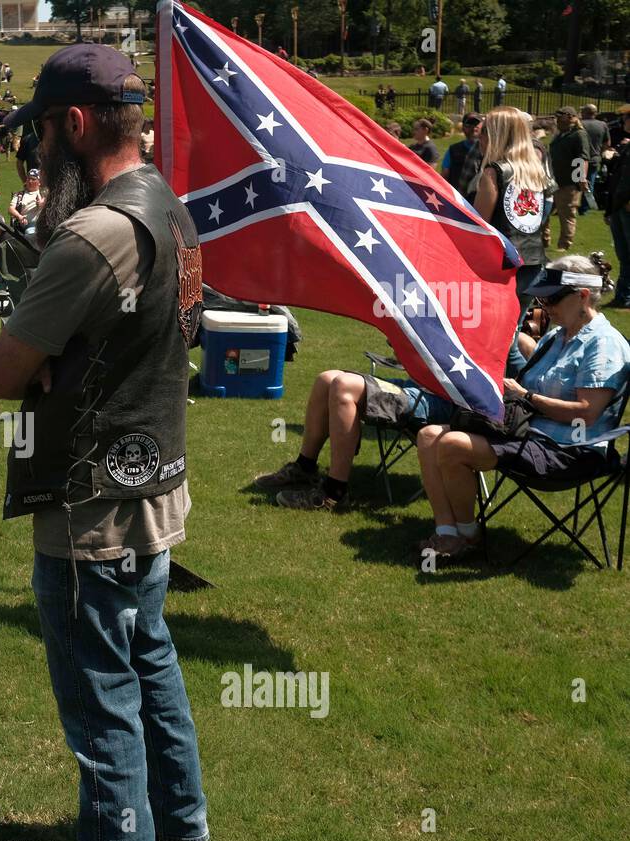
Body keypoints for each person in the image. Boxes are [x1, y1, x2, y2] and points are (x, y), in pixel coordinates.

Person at [0, 44, 210, 841]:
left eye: (42, 130)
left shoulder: (94, 233)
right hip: (154, 483)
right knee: (150, 659)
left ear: (74, 124)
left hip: (93, 507)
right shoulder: (173, 210)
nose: (36, 149)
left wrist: (45, 351)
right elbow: (182, 329)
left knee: (102, 711)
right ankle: (184, 821)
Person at [414, 256, 630, 559]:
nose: (545, 306)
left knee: (452, 444)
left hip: (569, 449)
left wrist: (529, 397)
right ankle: (448, 531)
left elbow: (586, 412)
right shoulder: (556, 337)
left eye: (552, 298)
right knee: (427, 437)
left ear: (582, 296)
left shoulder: (604, 345)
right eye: (541, 297)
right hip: (526, 432)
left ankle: (466, 536)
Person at [254, 368, 456, 510]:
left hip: (439, 400)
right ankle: (304, 467)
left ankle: (334, 494)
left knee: (344, 385)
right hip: (416, 385)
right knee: (326, 379)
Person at [474, 106, 550, 371]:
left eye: (484, 131)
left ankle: (526, 394)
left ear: (497, 135)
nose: (479, 137)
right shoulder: (533, 170)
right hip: (533, 263)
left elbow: (478, 225)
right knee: (511, 335)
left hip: (503, 268)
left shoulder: (493, 172)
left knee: (501, 344)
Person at [546, 107, 591, 251]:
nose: (557, 120)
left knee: (566, 215)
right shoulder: (560, 134)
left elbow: (583, 157)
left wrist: (581, 178)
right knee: (544, 212)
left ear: (570, 117)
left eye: (560, 117)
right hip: (553, 180)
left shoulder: (579, 134)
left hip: (569, 183)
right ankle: (543, 240)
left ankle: (564, 245)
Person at [607, 131, 630, 308]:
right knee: (624, 254)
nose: (624, 120)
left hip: (625, 204)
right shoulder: (626, 146)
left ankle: (625, 295)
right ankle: (623, 296)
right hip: (619, 204)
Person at [579, 104, 610, 215]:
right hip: (594, 158)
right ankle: (584, 208)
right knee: (590, 183)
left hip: (579, 158)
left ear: (586, 112)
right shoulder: (603, 125)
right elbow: (607, 143)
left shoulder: (580, 124)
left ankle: (570, 204)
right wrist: (600, 153)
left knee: (573, 182)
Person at [443, 113, 483, 198]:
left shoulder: (490, 150)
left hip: (480, 198)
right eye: (469, 124)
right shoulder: (453, 150)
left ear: (482, 126)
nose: (473, 127)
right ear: (463, 128)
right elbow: (445, 175)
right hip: (458, 198)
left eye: (476, 124)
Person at [8, 167, 44, 237]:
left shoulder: (44, 194)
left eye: (33, 179)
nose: (30, 181)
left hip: (42, 224)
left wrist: (43, 203)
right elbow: (10, 209)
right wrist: (20, 217)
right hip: (26, 225)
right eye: (28, 179)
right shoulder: (19, 195)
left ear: (39, 182)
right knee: (30, 232)